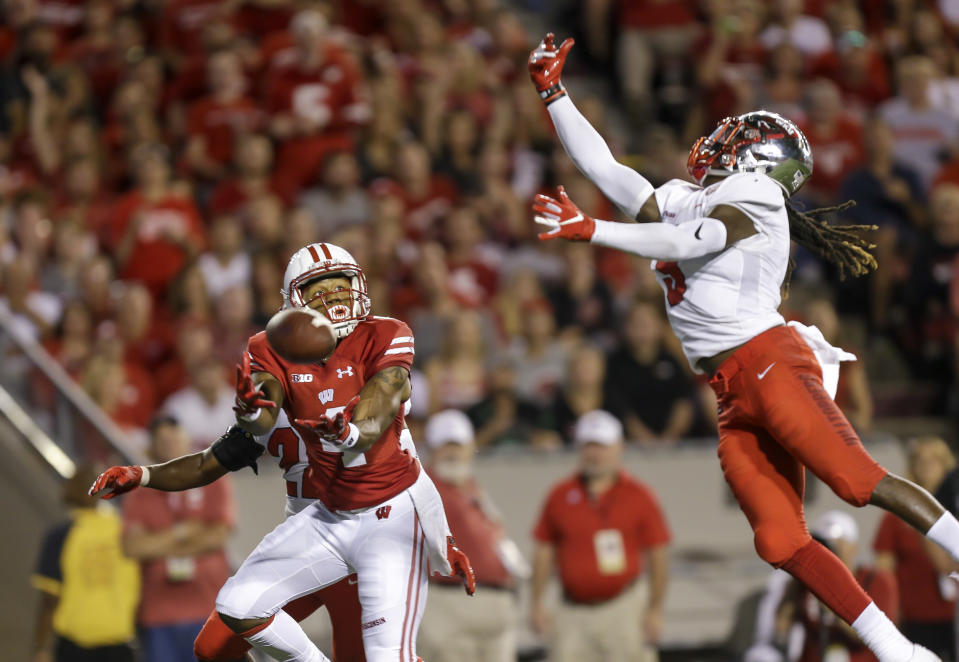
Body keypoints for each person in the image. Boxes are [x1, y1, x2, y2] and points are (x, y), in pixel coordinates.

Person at [527, 32, 959, 661]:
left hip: (768, 361)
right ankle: (897, 651)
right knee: (780, 542)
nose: (724, 137)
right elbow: (608, 169)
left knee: (857, 481)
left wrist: (593, 230)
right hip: (730, 388)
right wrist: (554, 94)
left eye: (742, 135)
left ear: (762, 159)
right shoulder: (687, 196)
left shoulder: (754, 196)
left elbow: (693, 243)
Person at [218, 242, 474, 661]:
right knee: (236, 607)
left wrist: (439, 538)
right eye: (321, 291)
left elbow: (405, 460)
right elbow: (258, 421)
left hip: (387, 519)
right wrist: (251, 414)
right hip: (325, 516)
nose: (336, 298)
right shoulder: (271, 350)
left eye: (341, 287)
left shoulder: (386, 337)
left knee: (386, 655)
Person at [89, 417, 368, 662]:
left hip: (351, 545)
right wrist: (143, 476)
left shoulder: (351, 389)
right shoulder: (267, 409)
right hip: (300, 550)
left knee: (368, 653)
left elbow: (218, 531)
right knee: (212, 647)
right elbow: (203, 465)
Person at [530, 409, 670, 662]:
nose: (595, 454)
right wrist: (537, 603)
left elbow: (658, 554)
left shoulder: (639, 495)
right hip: (572, 612)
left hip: (624, 609)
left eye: (602, 446)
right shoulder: (560, 495)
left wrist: (655, 609)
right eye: (589, 446)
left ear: (619, 447)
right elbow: (544, 550)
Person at [120, 417, 236, 662]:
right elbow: (132, 547)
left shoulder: (213, 479)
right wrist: (183, 533)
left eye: (174, 438)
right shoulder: (140, 490)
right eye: (162, 441)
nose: (170, 446)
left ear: (187, 439)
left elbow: (218, 535)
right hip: (159, 612)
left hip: (209, 608)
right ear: (153, 447)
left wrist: (158, 543)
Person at [417, 409, 525, 662]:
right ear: (431, 449)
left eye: (459, 445)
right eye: (445, 446)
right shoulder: (424, 487)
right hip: (450, 604)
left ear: (471, 447)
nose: (453, 453)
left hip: (494, 607)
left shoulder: (471, 486)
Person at [32, 465, 140, 662]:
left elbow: (49, 599)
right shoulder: (125, 532)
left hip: (74, 646)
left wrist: (41, 649)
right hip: (120, 643)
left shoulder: (61, 535)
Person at [874, 438, 957, 660]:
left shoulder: (954, 512)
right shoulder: (898, 514)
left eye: (933, 461)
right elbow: (884, 569)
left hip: (953, 614)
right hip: (913, 614)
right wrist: (889, 611)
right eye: (920, 461)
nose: (926, 467)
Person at [785, 510, 899, 662]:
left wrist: (834, 607)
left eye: (837, 544)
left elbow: (882, 637)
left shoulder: (877, 581)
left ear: (853, 548)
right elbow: (784, 624)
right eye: (823, 545)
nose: (829, 551)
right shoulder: (807, 582)